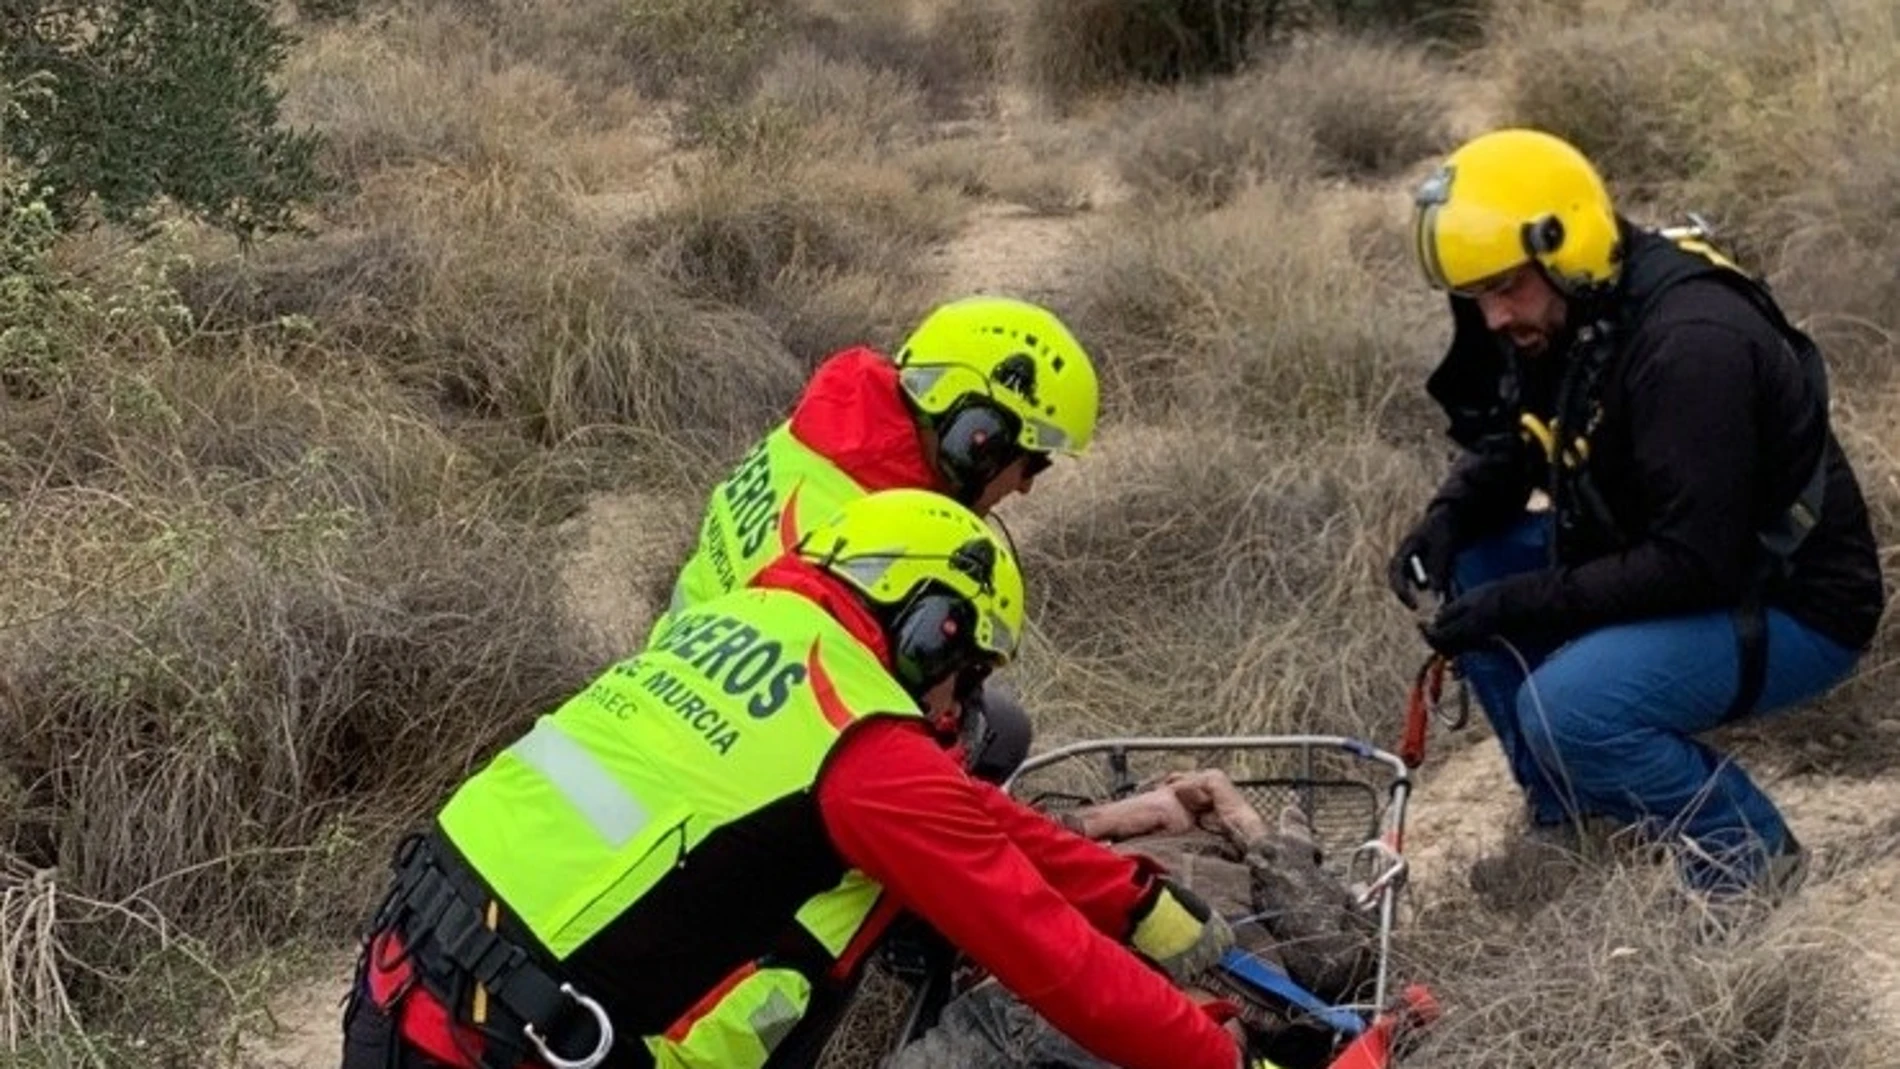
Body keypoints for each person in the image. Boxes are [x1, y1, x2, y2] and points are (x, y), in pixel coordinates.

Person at [338, 488, 1261, 1069]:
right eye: (970, 669)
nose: (958, 705)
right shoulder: (867, 751)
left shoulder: (750, 623)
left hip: (405, 969)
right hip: (503, 1044)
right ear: (933, 626)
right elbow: (1051, 957)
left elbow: (965, 814)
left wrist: (1141, 901)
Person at [1389, 127, 1885, 903]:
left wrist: (1515, 604)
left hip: (1793, 602)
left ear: (1566, 245)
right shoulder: (1581, 305)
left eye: (1505, 287)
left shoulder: (1691, 345)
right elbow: (1525, 434)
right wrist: (1445, 521)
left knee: (1566, 708)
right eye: (1476, 295)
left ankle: (1748, 856)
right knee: (1476, 559)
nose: (1491, 317)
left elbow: (1693, 565)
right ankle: (1578, 817)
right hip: (1692, 560)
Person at [663, 293, 1100, 785]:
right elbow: (873, 760)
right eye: (1033, 461)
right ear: (977, 441)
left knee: (996, 722)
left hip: (684, 673)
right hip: (741, 756)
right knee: (979, 734)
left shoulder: (838, 430)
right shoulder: (861, 542)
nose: (1024, 486)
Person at [889, 768, 1382, 1069]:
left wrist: (1252, 831)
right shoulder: (1086, 848)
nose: (1192, 796)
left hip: (1160, 1023)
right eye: (1168, 784)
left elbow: (1333, 964)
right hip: (1007, 1005)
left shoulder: (1264, 868)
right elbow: (986, 836)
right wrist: (1114, 819)